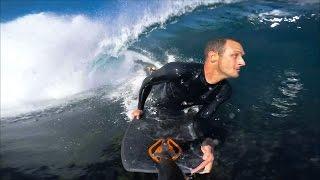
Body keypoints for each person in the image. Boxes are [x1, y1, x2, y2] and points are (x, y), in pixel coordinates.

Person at [131, 38, 245, 132]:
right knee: (153, 77)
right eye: (234, 55)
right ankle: (150, 68)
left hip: (180, 106)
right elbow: (147, 82)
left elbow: (202, 118)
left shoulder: (224, 91)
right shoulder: (180, 71)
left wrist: (206, 142)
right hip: (160, 93)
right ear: (213, 57)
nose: (242, 62)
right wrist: (140, 108)